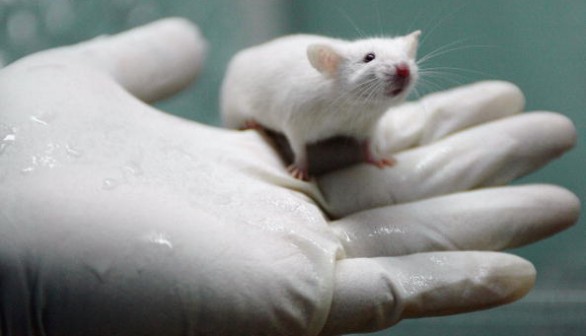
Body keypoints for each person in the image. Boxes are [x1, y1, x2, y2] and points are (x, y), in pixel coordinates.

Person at [0, 18, 579, 336]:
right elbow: (296, 122)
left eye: (400, 59)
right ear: (332, 65)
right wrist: (298, 158)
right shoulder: (314, 88)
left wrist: (370, 146)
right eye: (372, 62)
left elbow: (372, 121)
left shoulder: (372, 96)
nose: (398, 67)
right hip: (262, 102)